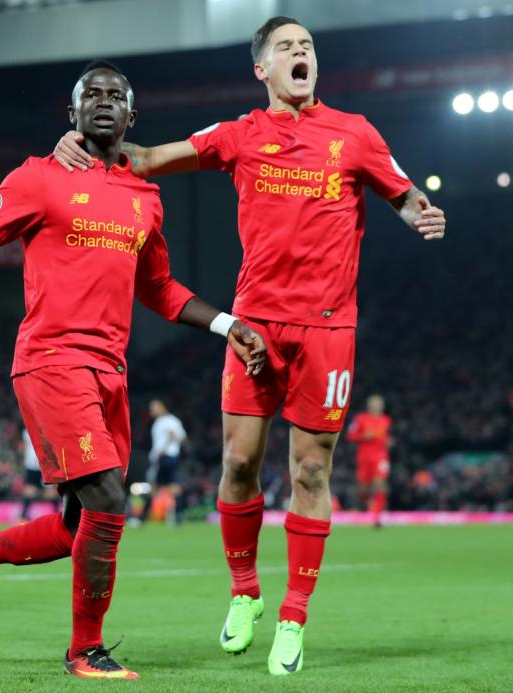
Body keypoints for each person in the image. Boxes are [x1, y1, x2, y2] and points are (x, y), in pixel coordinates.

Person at [54, 16, 446, 676]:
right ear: (261, 69)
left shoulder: (354, 133)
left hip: (327, 327)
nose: (302, 54)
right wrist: (83, 141)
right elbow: (149, 158)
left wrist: (420, 211)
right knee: (238, 463)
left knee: (311, 471)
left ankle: (294, 614)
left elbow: (402, 190)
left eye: (308, 47)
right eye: (287, 48)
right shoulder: (241, 134)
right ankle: (245, 592)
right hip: (255, 326)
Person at [0, 60, 267, 680]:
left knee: (77, 526)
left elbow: (160, 289)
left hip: (112, 371)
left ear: (132, 117)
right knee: (109, 501)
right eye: (92, 95)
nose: (104, 102)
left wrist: (227, 324)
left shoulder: (146, 197)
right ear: (73, 113)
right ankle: (85, 650)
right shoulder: (39, 177)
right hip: (52, 360)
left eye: (117, 95)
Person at [346, 394, 392, 527]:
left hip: (380, 457)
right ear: (369, 405)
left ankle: (378, 516)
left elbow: (386, 437)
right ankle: (368, 505)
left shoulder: (386, 420)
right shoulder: (360, 419)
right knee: (363, 489)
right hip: (364, 457)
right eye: (374, 403)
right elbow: (350, 435)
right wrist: (363, 436)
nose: (377, 406)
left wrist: (388, 442)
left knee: (379, 484)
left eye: (379, 404)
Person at [141, 399, 187, 526]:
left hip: (164, 457)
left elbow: (174, 435)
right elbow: (183, 438)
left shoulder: (166, 421)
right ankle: (178, 518)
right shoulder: (169, 421)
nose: (152, 411)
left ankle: (141, 518)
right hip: (172, 457)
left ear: (163, 407)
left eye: (154, 408)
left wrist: (163, 449)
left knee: (154, 486)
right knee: (174, 487)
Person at [18, 428, 60, 522]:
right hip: (32, 466)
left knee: (49, 493)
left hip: (44, 465)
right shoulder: (27, 431)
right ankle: (23, 516)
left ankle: (58, 515)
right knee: (29, 491)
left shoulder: (43, 428)